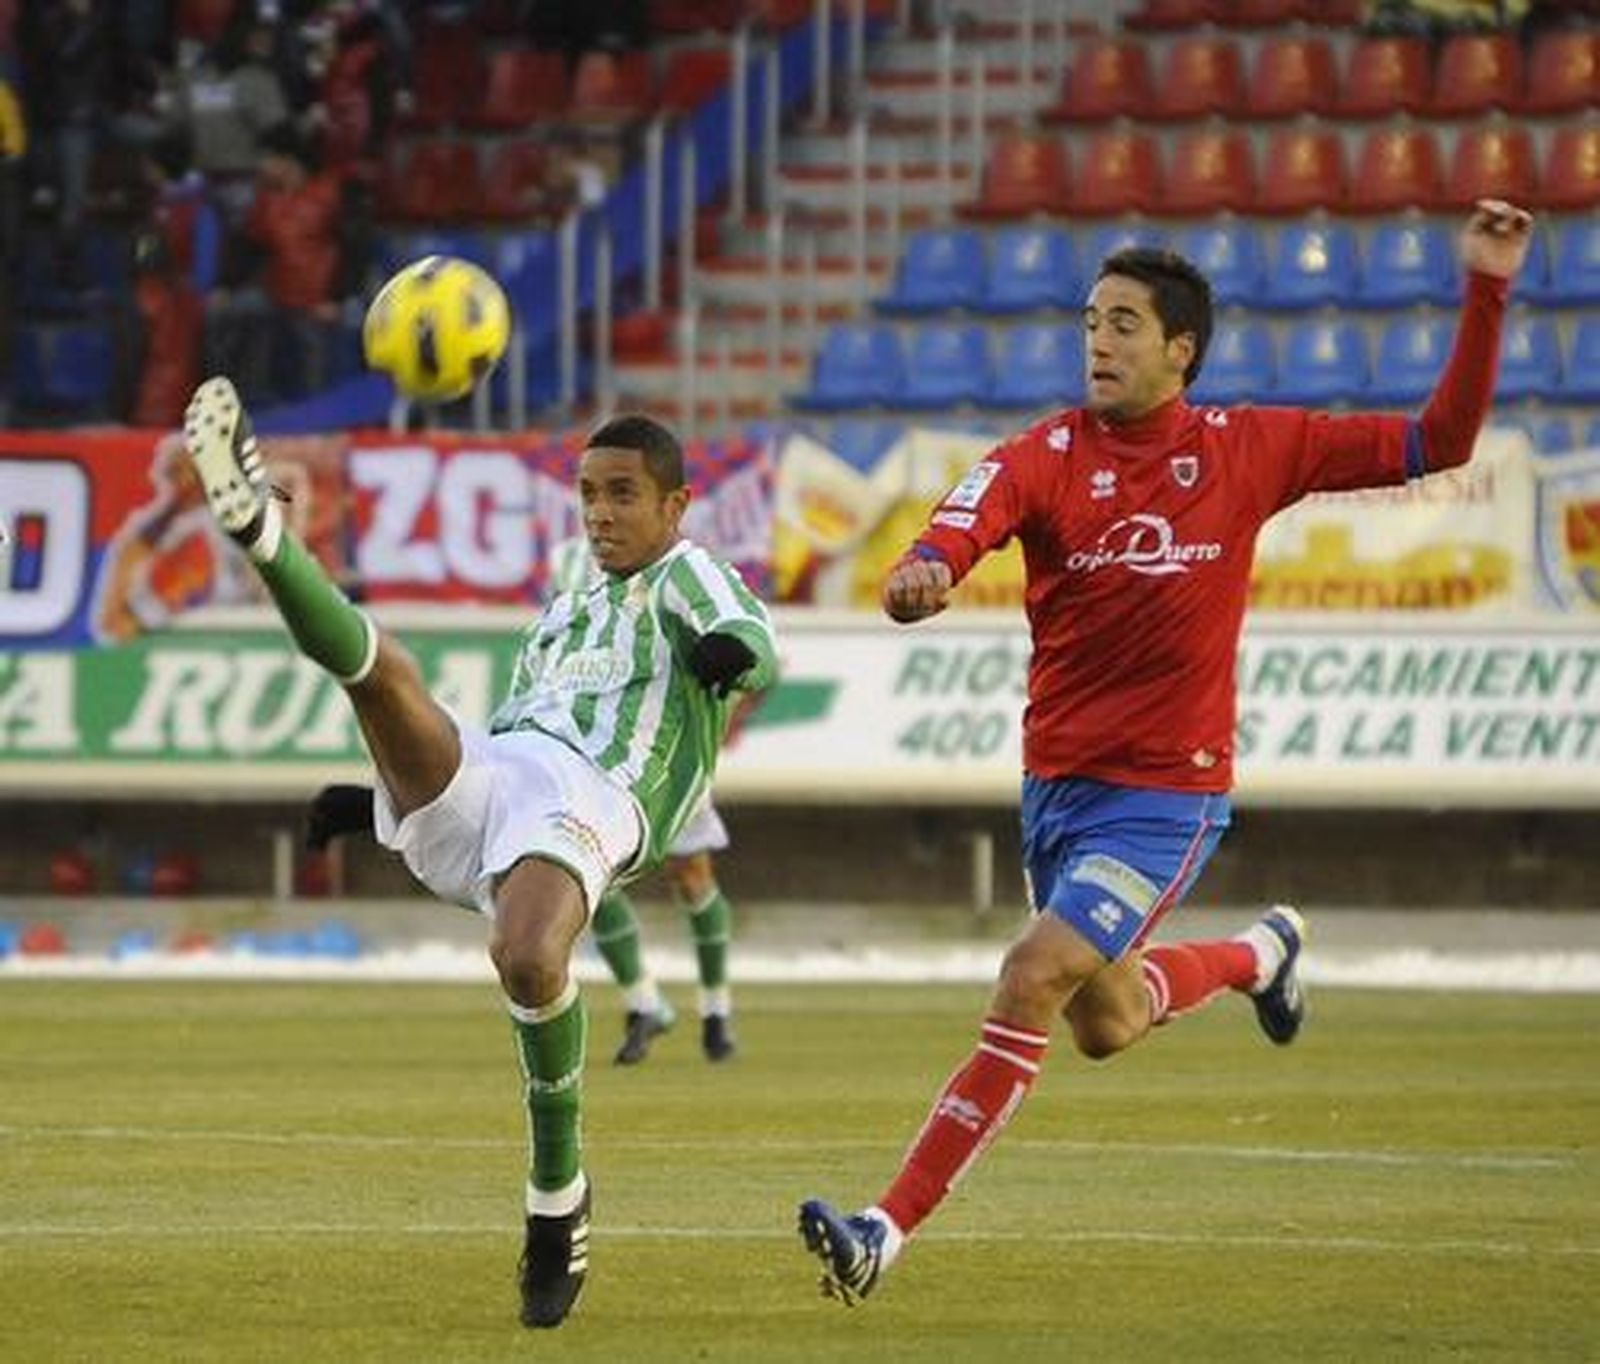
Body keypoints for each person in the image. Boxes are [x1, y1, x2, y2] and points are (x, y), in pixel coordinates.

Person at [796, 199, 1535, 1305]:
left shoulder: (1249, 447)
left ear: (1179, 349)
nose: (1098, 339)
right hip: (1058, 791)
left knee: (1029, 972)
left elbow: (1442, 441)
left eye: (1124, 323)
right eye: (1091, 320)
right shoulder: (1040, 454)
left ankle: (881, 1227)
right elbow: (954, 527)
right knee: (1106, 1020)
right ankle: (1260, 954)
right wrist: (923, 571)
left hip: (1165, 794)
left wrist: (1484, 288)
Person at [180, 384, 777, 1329]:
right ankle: (260, 533)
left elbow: (757, 643)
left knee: (530, 954)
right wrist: (382, 796)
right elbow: (512, 741)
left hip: (600, 792)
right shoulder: (563, 608)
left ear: (674, 506)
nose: (600, 512)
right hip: (509, 771)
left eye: (623, 493)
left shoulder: (686, 576)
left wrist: (724, 656)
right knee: (382, 677)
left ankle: (556, 1197)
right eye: (588, 493)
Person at [545, 534, 744, 1066]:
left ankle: (716, 1009)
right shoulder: (564, 561)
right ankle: (643, 1003)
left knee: (693, 875)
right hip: (593, 752)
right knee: (589, 875)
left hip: (660, 744)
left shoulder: (676, 565)